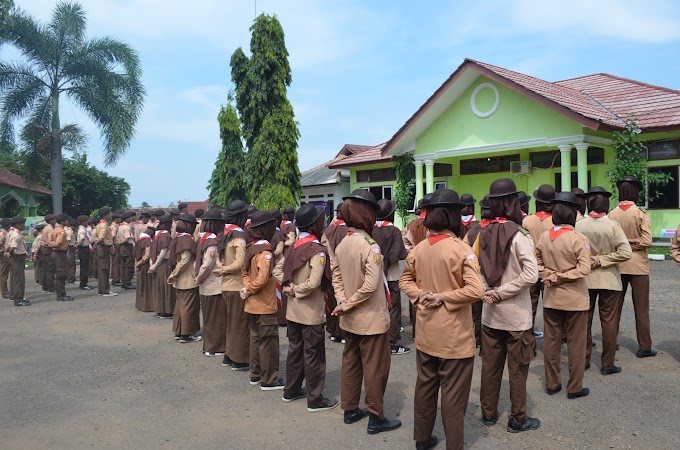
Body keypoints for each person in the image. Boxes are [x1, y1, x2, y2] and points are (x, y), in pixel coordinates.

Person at [400, 189, 484, 450]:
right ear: (453, 216)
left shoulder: (419, 249)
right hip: (454, 337)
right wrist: (443, 297)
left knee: (425, 387)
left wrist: (421, 295)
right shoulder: (462, 250)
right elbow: (476, 290)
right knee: (453, 395)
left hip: (426, 333)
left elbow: (405, 281)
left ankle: (422, 440)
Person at [331, 189, 401, 435]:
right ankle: (375, 416)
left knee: (351, 362)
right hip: (370, 319)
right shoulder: (370, 247)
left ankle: (350, 409)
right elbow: (371, 286)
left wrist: (342, 301)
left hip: (349, 318)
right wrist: (347, 303)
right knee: (375, 367)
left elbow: (336, 277)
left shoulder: (343, 242)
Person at [476, 178, 540, 433]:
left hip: (490, 315)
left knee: (490, 367)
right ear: (513, 203)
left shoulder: (483, 233)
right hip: (516, 317)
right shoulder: (518, 235)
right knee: (518, 369)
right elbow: (531, 274)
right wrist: (501, 293)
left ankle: (488, 413)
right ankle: (518, 418)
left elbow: (473, 269)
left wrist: (487, 292)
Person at [275, 204, 338, 412]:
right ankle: (315, 398)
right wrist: (296, 290)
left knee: (295, 352)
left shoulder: (293, 247)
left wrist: (287, 287)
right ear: (315, 225)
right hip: (310, 312)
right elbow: (313, 283)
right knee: (314, 355)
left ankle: (290, 390)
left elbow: (277, 269)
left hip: (293, 311)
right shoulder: (317, 251)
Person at [536, 192, 591, 400]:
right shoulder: (578, 238)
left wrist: (550, 276)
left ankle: (552, 383)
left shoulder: (544, 237)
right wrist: (562, 276)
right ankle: (574, 387)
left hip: (551, 297)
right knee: (576, 344)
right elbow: (584, 269)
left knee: (551, 343)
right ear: (572, 213)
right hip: (575, 299)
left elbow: (537, 264)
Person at [576, 186, 632, 375]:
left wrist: (590, 259)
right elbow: (626, 252)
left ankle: (583, 360)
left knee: (584, 321)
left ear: (588, 204)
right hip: (609, 280)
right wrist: (603, 259)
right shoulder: (612, 226)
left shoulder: (579, 225)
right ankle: (608, 364)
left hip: (585, 280)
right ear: (607, 205)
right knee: (609, 322)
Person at [608, 176, 657, 358]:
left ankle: (611, 343)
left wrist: (623, 244)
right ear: (636, 192)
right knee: (642, 309)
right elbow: (647, 241)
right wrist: (632, 242)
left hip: (618, 266)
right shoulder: (640, 214)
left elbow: (611, 242)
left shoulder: (612, 214)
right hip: (638, 267)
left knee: (614, 309)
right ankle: (644, 347)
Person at [242, 210, 283, 390]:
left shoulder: (251, 249)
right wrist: (250, 289)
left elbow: (244, 273)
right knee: (268, 342)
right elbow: (263, 278)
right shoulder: (265, 251)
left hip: (252, 303)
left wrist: (246, 289)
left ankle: (255, 374)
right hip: (264, 304)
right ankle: (269, 379)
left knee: (255, 339)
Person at [371, 199, 409, 355]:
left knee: (376, 307)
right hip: (391, 276)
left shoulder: (370, 229)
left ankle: (377, 339)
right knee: (393, 309)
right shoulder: (394, 231)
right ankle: (393, 343)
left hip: (374, 274)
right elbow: (399, 253)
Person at [215, 200, 249, 371]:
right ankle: (239, 359)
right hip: (237, 286)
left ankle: (229, 355)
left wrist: (221, 268)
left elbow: (218, 258)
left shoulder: (224, 234)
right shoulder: (238, 235)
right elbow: (240, 262)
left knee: (231, 323)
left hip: (226, 286)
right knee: (240, 324)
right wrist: (225, 269)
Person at [522, 184, 556, 339]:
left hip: (528, 268)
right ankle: (553, 339)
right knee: (550, 305)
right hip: (550, 269)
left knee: (530, 305)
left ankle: (528, 338)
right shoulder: (556, 222)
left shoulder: (526, 221)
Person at [196, 209, 226, 357]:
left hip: (206, 286)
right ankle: (215, 347)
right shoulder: (212, 242)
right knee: (216, 318)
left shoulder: (203, 239)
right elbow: (208, 264)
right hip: (213, 285)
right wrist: (199, 278)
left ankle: (209, 346)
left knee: (209, 317)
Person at [168, 214, 202, 343]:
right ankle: (187, 334)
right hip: (187, 279)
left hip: (180, 280)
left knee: (180, 307)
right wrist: (174, 274)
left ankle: (179, 331)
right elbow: (185, 260)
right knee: (189, 307)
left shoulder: (177, 239)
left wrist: (174, 275)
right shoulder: (187, 240)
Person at [463, 195, 491, 347]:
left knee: (475, 310)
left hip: (475, 274)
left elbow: (464, 250)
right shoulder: (501, 229)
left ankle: (476, 338)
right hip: (495, 277)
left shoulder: (474, 229)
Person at [321, 204, 347, 344]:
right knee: (343, 298)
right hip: (344, 269)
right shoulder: (349, 230)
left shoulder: (329, 230)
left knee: (331, 299)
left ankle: (333, 331)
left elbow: (323, 244)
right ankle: (343, 333)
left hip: (330, 269)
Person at [148, 214, 175, 319]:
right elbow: (164, 251)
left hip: (156, 263)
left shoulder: (156, 234)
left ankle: (160, 309)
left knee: (159, 287)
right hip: (164, 263)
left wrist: (152, 264)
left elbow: (152, 251)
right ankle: (166, 310)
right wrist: (155, 265)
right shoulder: (166, 235)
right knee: (166, 287)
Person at [6, 216, 30, 306]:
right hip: (17, 257)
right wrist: (11, 254)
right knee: (19, 279)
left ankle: (14, 296)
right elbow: (13, 247)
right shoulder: (16, 234)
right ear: (17, 225)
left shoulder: (11, 232)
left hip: (15, 257)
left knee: (14, 278)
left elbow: (9, 246)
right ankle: (18, 299)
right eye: (22, 224)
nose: (24, 225)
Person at [51, 214, 74, 301]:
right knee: (61, 273)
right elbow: (58, 244)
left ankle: (61, 293)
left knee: (59, 273)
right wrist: (54, 245)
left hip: (56, 253)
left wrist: (51, 245)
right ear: (63, 221)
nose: (67, 222)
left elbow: (50, 242)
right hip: (60, 253)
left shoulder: (54, 230)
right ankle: (61, 294)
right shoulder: (61, 231)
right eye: (66, 220)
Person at [96, 208, 117, 297]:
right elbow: (101, 238)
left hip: (102, 247)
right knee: (105, 269)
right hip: (104, 247)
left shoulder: (99, 224)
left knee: (102, 269)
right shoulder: (104, 225)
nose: (109, 216)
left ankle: (102, 290)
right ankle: (105, 290)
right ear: (105, 215)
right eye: (108, 214)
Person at [134, 225, 155, 312]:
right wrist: (139, 264)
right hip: (144, 265)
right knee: (146, 286)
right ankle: (147, 306)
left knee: (141, 285)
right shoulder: (146, 240)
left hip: (140, 263)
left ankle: (140, 305)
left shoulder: (140, 239)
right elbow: (147, 255)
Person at [116, 212, 136, 290]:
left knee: (123, 264)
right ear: (127, 218)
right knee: (129, 265)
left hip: (122, 248)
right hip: (127, 246)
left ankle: (123, 281)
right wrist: (121, 243)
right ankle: (128, 282)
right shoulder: (127, 227)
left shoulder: (120, 227)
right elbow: (127, 238)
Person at [76, 215, 94, 290]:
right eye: (86, 221)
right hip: (83, 249)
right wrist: (76, 245)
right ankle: (83, 284)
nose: (88, 222)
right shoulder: (82, 230)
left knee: (84, 267)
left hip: (84, 249)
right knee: (84, 267)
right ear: (83, 222)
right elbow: (81, 241)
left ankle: (84, 283)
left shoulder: (83, 229)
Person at [41, 213, 57, 292]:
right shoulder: (50, 229)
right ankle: (51, 286)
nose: (55, 220)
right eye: (53, 219)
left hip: (45, 249)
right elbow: (50, 240)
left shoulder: (45, 228)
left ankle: (45, 286)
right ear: (50, 220)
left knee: (46, 268)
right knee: (50, 268)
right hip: (49, 249)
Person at [110, 212, 122, 286]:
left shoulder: (114, 225)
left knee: (115, 262)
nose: (120, 219)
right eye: (119, 218)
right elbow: (113, 237)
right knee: (116, 263)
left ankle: (115, 277)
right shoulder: (114, 227)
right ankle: (115, 278)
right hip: (116, 245)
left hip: (115, 245)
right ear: (116, 219)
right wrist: (113, 247)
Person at [0, 218, 11, 299]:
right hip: (3, 255)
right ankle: (4, 292)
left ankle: (6, 291)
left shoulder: (5, 233)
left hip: (5, 255)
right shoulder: (2, 234)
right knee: (3, 275)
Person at [66, 218, 78, 284]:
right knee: (71, 264)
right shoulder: (69, 232)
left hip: (70, 248)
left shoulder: (68, 231)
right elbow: (68, 241)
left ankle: (70, 277)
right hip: (70, 248)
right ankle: (71, 278)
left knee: (70, 264)